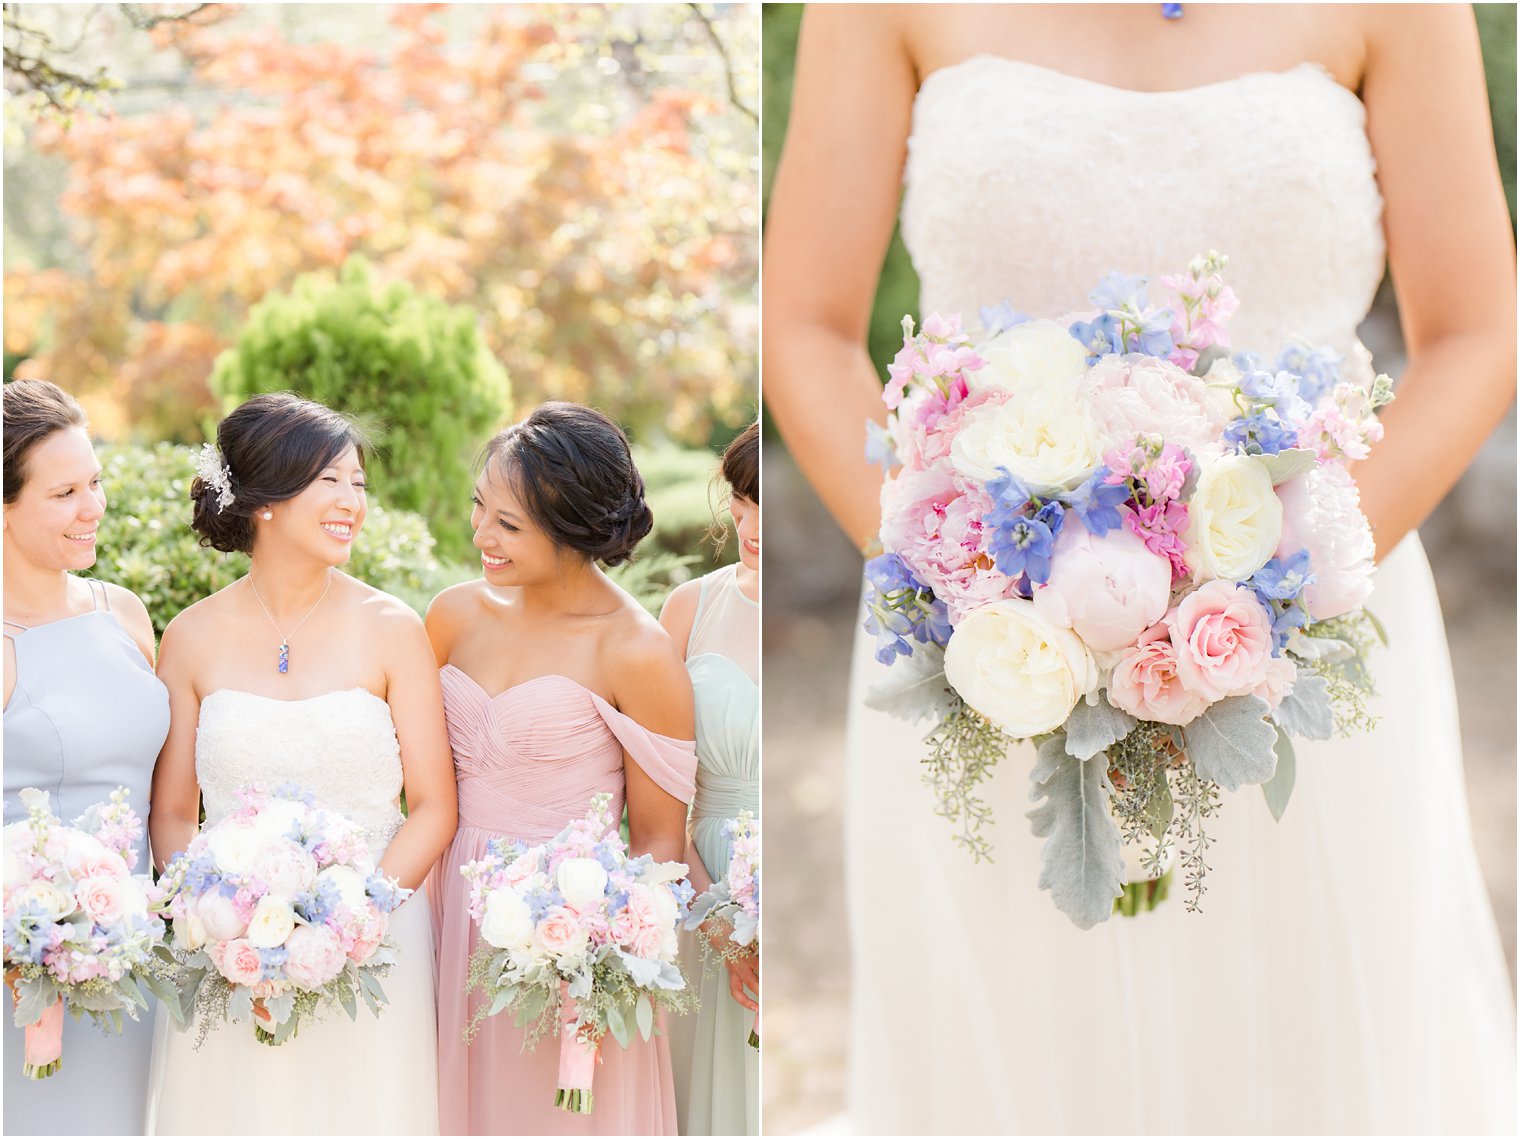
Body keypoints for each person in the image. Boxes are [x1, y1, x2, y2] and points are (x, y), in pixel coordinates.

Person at [764, 5, 1516, 1133]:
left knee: (1306, 1053)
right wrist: (960, 571)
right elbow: (804, 324)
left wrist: (1274, 585)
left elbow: (1474, 329)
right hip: (990, 659)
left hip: (1306, 655)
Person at [144, 392, 456, 1135]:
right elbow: (173, 812)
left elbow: (435, 805)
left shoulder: (392, 628)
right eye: (331, 481)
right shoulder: (189, 637)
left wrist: (360, 914)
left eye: (359, 483)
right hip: (227, 952)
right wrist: (214, 921)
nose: (354, 500)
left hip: (376, 944)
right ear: (267, 502)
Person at [426, 401, 697, 1136]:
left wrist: (598, 956)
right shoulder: (451, 616)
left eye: (508, 524)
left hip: (567, 932)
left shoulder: (635, 651)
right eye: (480, 508)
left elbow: (660, 840)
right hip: (449, 907)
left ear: (574, 526)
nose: (482, 535)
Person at [3, 379, 171, 1135]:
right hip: (28, 973)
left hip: (138, 958)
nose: (93, 507)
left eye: (95, 481)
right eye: (65, 491)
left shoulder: (123, 612)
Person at [662, 421, 760, 1136]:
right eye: (743, 500)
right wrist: (718, 920)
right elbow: (660, 789)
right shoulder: (688, 609)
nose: (751, 524)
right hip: (704, 884)